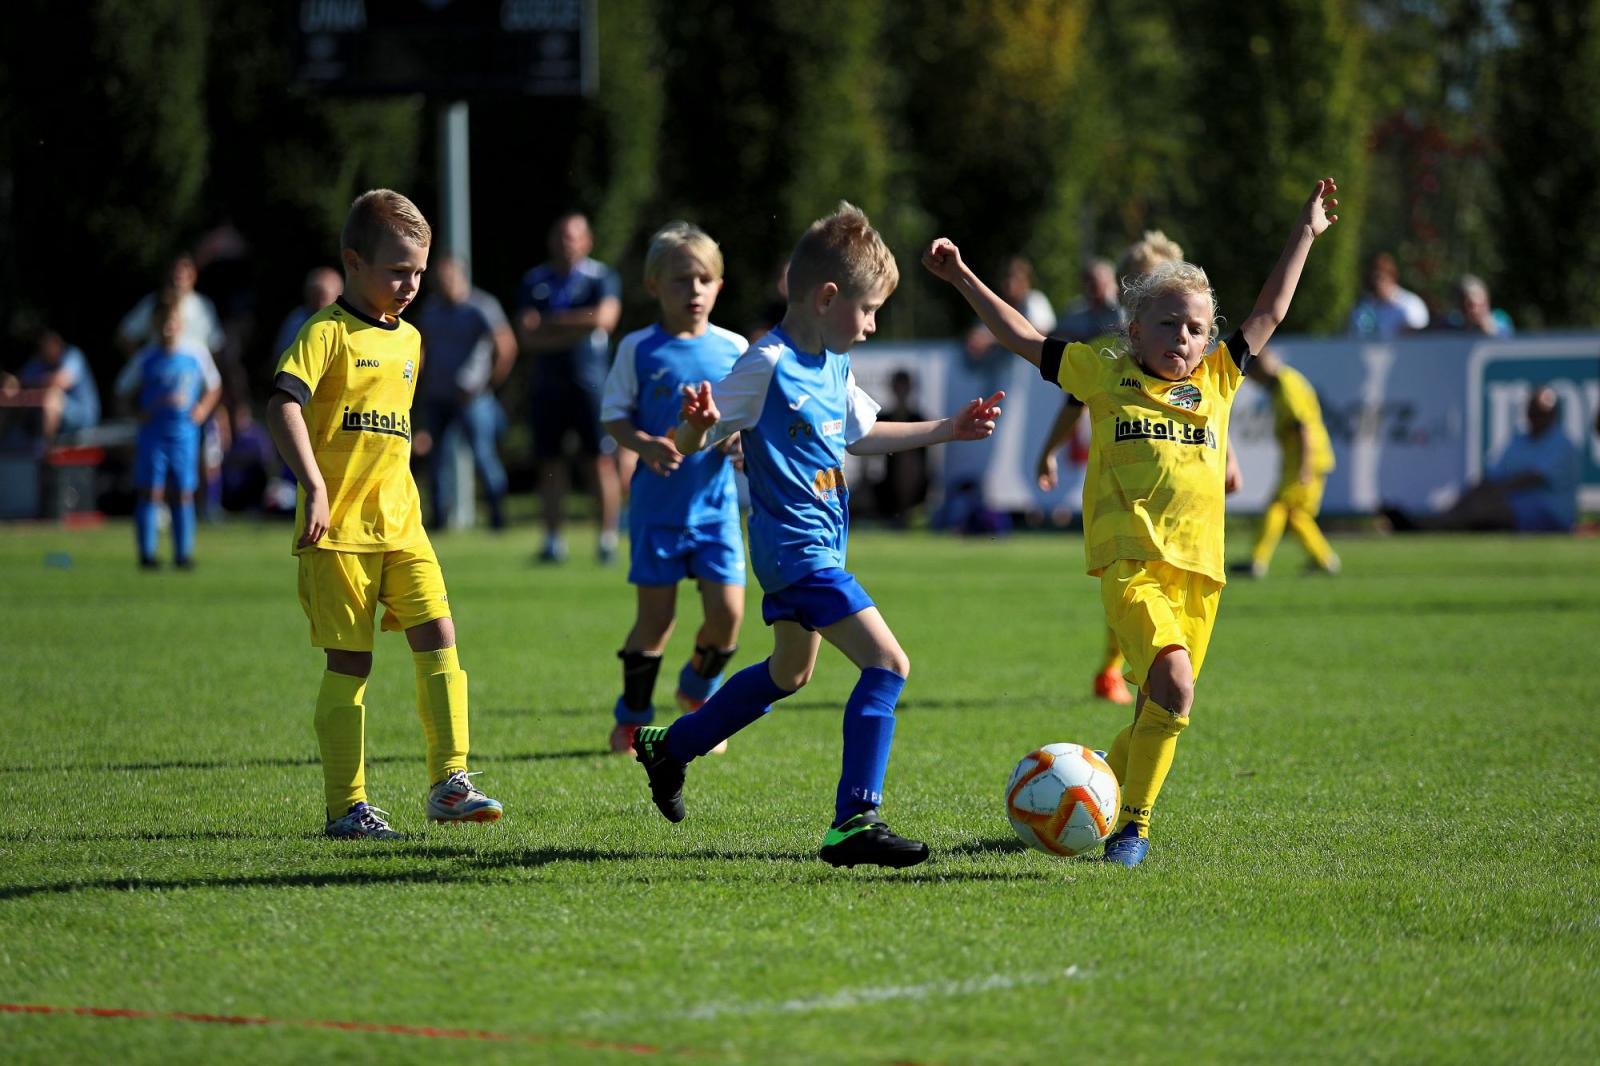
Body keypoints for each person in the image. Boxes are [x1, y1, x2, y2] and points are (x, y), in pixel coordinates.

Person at [925, 177, 1340, 867]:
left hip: (1202, 578)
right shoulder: (1101, 371)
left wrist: (1304, 233)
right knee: (1173, 687)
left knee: (1164, 709)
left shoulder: (1216, 378)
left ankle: (1092, 795)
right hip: (1132, 568)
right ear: (1134, 327)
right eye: (1170, 322)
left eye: (1197, 328)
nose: (1185, 337)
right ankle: (1134, 828)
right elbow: (1024, 335)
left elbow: (1269, 311)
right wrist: (963, 276)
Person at [632, 203, 1003, 869]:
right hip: (794, 553)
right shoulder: (766, 364)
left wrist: (948, 429)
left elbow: (860, 433)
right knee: (888, 665)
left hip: (819, 549)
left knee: (789, 672)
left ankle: (669, 746)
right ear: (828, 298)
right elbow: (695, 442)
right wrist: (697, 423)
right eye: (867, 311)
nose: (872, 326)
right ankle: (854, 820)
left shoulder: (831, 363)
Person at [265, 189, 503, 840]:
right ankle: (346, 808)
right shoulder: (325, 332)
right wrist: (311, 484)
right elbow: (283, 405)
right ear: (353, 262)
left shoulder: (414, 341)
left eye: (420, 272)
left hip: (402, 524)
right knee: (351, 665)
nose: (412, 284)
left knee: (440, 634)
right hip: (337, 532)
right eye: (398, 270)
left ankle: (450, 782)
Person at [1033, 230, 1241, 706]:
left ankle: (1142, 689)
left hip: (1180, 521)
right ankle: (1115, 669)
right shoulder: (1115, 357)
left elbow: (1209, 412)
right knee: (1132, 584)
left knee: (1167, 661)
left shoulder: (1194, 358)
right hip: (1126, 493)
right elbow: (1073, 401)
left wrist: (1228, 457)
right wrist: (1049, 450)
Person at [600, 221, 749, 756]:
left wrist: (739, 443)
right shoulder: (638, 348)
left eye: (704, 279)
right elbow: (613, 417)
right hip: (658, 509)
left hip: (715, 509)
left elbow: (745, 418)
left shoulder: (735, 347)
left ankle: (696, 693)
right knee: (656, 620)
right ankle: (632, 720)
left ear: (719, 286)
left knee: (728, 615)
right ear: (653, 286)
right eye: (681, 280)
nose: (694, 291)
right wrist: (642, 444)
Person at [516, 212, 625, 564]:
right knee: (550, 463)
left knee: (600, 461)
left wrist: (551, 324)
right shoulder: (535, 280)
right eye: (561, 236)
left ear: (587, 241)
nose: (567, 243)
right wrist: (577, 325)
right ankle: (552, 540)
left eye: (573, 236)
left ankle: (607, 538)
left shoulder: (601, 277)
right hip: (548, 384)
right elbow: (526, 335)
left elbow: (605, 319)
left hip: (590, 383)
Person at [1381, 385, 1578, 534]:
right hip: (1513, 505)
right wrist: (1476, 491)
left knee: (1483, 509)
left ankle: (1420, 526)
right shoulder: (1519, 440)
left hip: (1549, 515)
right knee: (1473, 500)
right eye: (1532, 413)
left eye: (1541, 414)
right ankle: (1420, 522)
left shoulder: (1562, 444)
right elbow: (1494, 474)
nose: (1536, 419)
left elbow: (1533, 478)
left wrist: (1494, 492)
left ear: (1552, 416)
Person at [414, 255, 516, 530]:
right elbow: (421, 345)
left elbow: (505, 344)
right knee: (437, 460)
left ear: (462, 276)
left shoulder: (481, 306)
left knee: (483, 456)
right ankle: (439, 520)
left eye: (449, 276)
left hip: (473, 398)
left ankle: (497, 517)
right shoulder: (432, 308)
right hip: (438, 396)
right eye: (439, 277)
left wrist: (488, 384)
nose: (443, 282)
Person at [116, 299, 220, 569]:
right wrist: (137, 414)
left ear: (181, 325)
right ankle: (147, 554)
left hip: (184, 435)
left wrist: (201, 410)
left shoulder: (195, 354)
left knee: (183, 492)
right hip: (154, 435)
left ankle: (183, 554)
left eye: (171, 323)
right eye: (162, 324)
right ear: (154, 326)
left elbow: (214, 386)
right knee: (151, 491)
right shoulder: (146, 357)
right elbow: (122, 391)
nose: (167, 329)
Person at [1236, 348, 1339, 577]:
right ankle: (1324, 560)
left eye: (1251, 372)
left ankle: (1257, 561)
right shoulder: (1281, 385)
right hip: (1304, 459)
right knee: (1295, 514)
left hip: (1306, 459)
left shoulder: (1286, 386)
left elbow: (1302, 427)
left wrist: (1304, 466)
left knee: (1278, 506)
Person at [1, 325, 100, 448]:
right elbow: (19, 382)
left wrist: (30, 385)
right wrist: (13, 385)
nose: (43, 349)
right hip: (53, 418)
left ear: (56, 343)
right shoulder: (40, 361)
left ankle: (45, 451)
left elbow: (61, 381)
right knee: (7, 398)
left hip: (83, 417)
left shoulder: (73, 355)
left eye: (45, 345)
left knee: (51, 397)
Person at [869, 370, 930, 525]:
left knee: (907, 461)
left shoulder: (919, 419)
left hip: (916, 485)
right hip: (885, 482)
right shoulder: (882, 419)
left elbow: (926, 460)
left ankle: (906, 513)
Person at [1347, 251, 1428, 339]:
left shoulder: (1411, 304)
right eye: (1372, 278)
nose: (1377, 283)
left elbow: (1420, 339)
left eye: (1381, 278)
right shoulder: (1363, 308)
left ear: (1392, 276)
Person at [274, 266, 343, 362]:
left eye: (322, 295)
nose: (317, 300)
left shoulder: (346, 325)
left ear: (337, 296)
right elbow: (280, 356)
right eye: (313, 293)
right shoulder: (297, 319)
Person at [1054, 257, 1122, 342]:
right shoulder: (1075, 309)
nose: (1088, 287)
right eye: (1085, 281)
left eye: (1094, 283)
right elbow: (1058, 333)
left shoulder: (1122, 308)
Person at [1439, 274, 1514, 337]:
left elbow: (1507, 341)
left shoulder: (1500, 319)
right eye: (1469, 306)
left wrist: (1490, 330)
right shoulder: (1452, 322)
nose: (1475, 311)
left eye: (1481, 305)